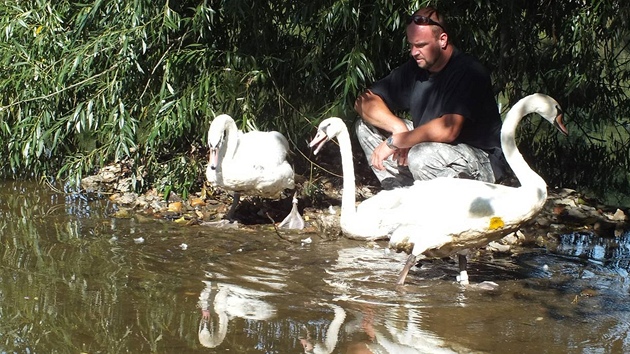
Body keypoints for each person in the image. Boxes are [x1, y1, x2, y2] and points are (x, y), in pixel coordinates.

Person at [354, 6, 507, 190]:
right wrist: (397, 128)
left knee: (421, 155)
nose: (413, 52)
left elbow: (448, 129)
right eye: (411, 45)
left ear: (442, 40)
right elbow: (364, 100)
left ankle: (449, 209)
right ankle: (402, 196)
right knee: (366, 127)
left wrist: (398, 141)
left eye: (420, 45)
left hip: (480, 161)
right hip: (430, 149)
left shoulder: (468, 71)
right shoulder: (416, 68)